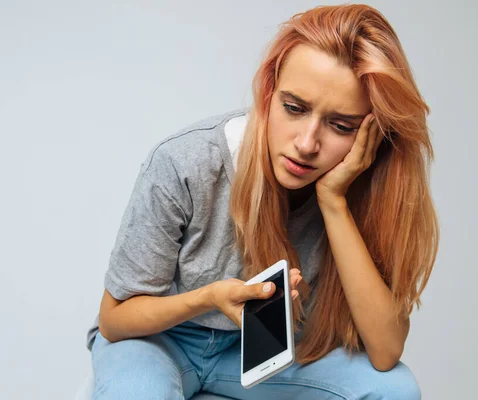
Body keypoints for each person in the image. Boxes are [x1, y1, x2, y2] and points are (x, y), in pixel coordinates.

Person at [86, 4, 439, 399]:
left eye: (340, 126)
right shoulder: (186, 162)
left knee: (394, 390)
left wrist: (334, 199)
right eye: (294, 108)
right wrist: (210, 298)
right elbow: (114, 321)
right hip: (157, 341)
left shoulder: (361, 184)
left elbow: (386, 351)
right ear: (268, 93)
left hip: (255, 352)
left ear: (371, 133)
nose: (307, 144)